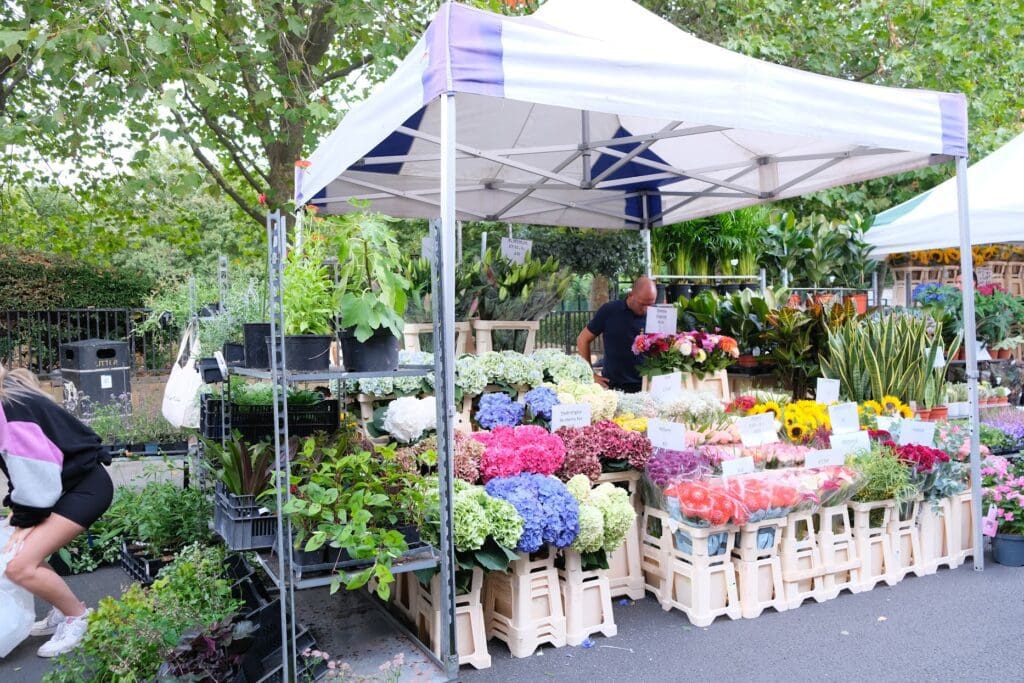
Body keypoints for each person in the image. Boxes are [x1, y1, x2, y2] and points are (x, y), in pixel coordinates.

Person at [0, 366, 113, 658]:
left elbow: (38, 480)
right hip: (67, 485)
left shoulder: (11, 410)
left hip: (85, 489)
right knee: (17, 551)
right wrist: (18, 513)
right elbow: (19, 470)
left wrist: (25, 519)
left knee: (19, 566)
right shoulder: (9, 400)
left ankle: (78, 618)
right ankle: (62, 611)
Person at [576, 276, 658, 393]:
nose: (646, 309)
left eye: (651, 304)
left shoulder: (657, 314)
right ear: (630, 295)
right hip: (613, 386)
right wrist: (590, 374)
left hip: (647, 386)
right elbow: (582, 339)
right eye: (642, 304)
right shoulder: (610, 311)